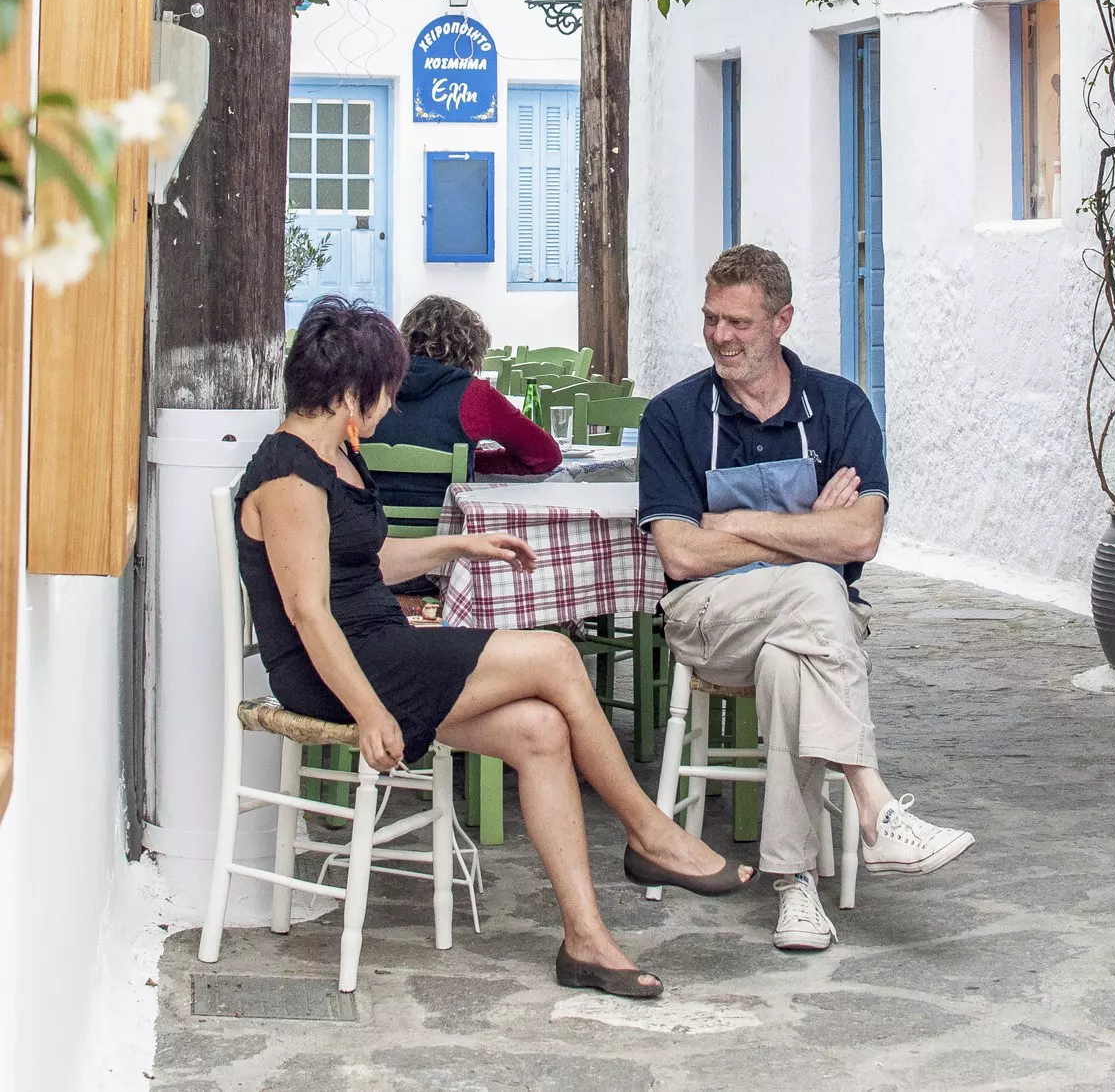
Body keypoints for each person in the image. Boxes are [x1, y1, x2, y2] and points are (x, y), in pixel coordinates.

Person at [236, 294, 755, 999]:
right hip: (339, 669)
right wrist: (369, 713)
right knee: (555, 655)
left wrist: (457, 543)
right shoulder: (290, 475)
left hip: (377, 647)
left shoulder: (334, 455)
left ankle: (587, 943)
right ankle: (648, 831)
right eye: (386, 391)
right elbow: (308, 613)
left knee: (541, 731)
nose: (392, 405)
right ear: (352, 392)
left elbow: (365, 562)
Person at [637, 243, 975, 954]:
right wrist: (808, 534)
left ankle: (793, 887)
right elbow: (682, 553)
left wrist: (742, 524)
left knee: (794, 662)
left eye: (739, 322)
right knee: (818, 583)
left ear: (782, 320)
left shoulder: (839, 406)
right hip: (709, 620)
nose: (720, 337)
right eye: (711, 320)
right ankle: (875, 804)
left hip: (807, 632)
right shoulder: (674, 416)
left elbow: (862, 536)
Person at [371, 295, 561, 516]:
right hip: (448, 532)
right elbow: (546, 456)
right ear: (472, 347)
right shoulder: (475, 395)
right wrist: (469, 462)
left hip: (372, 530)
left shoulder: (371, 387)